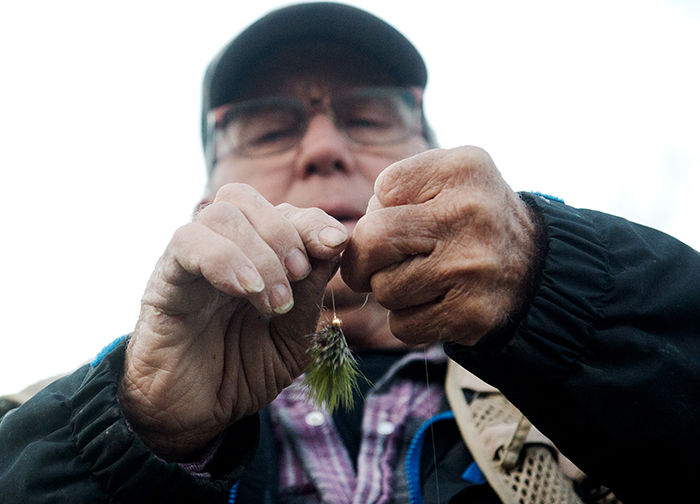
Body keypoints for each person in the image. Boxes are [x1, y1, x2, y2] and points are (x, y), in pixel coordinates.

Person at [1, 3, 699, 503]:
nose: (324, 148)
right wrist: (133, 432)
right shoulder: (42, 425)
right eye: (269, 130)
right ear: (205, 210)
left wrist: (557, 289)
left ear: (437, 166)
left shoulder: (576, 397)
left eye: (368, 117)